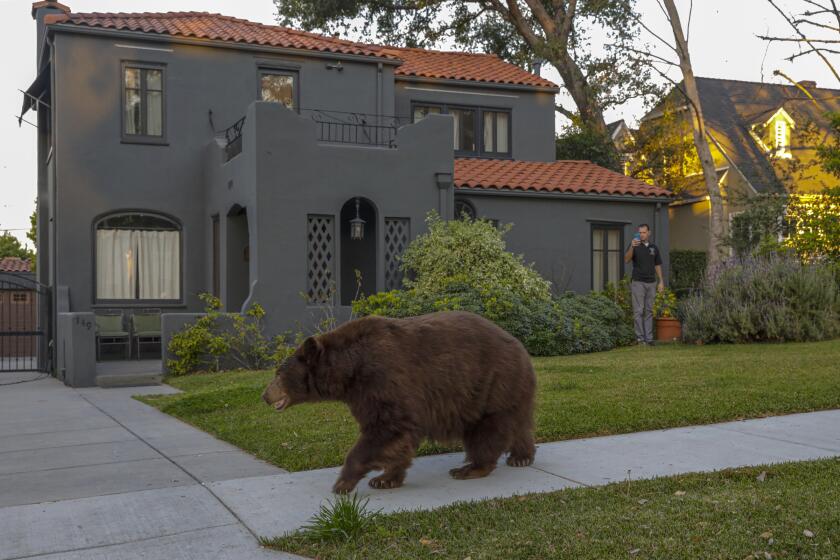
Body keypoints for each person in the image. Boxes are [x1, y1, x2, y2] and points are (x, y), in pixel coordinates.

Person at [624, 224, 664, 345]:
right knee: (638, 311)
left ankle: (649, 339)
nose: (641, 235)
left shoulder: (654, 248)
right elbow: (626, 260)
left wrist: (661, 281)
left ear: (649, 233)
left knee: (649, 310)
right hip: (638, 282)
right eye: (640, 232)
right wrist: (631, 246)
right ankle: (640, 339)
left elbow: (657, 265)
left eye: (644, 232)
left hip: (651, 283)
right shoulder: (634, 245)